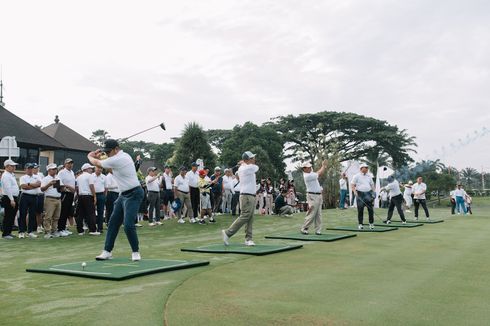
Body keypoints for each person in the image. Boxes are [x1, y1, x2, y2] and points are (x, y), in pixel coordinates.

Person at [88, 139, 145, 261]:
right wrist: (100, 158)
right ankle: (107, 251)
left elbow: (97, 163)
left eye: (109, 151)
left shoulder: (122, 157)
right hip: (123, 195)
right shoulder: (116, 159)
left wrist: (90, 156)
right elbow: (111, 170)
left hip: (134, 193)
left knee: (128, 225)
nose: (107, 154)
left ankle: (135, 252)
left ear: (116, 149)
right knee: (113, 223)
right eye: (106, 152)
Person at [222, 151, 259, 246]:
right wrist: (243, 163)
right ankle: (228, 233)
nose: (254, 159)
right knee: (245, 216)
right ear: (247, 160)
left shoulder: (246, 167)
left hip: (250, 195)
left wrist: (244, 162)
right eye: (252, 158)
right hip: (246, 196)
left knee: (250, 218)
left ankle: (248, 239)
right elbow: (256, 167)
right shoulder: (244, 168)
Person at [300, 160, 328, 235]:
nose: (310, 168)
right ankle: (304, 228)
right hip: (312, 196)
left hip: (318, 195)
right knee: (312, 213)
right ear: (304, 169)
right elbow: (319, 173)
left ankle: (318, 230)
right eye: (308, 167)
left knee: (318, 213)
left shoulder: (311, 173)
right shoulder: (307, 176)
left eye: (310, 167)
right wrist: (323, 166)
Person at [18, 163, 42, 238]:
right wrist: (33, 186)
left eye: (31, 168)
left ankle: (30, 231)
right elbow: (23, 186)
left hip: (34, 197)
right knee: (23, 214)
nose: (30, 170)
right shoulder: (23, 177)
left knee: (32, 214)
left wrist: (29, 184)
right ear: (25, 169)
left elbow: (39, 184)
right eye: (28, 168)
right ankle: (21, 232)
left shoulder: (37, 176)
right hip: (25, 196)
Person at [40, 163, 63, 238]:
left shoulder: (58, 178)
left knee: (56, 217)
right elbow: (42, 189)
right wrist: (49, 184)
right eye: (53, 169)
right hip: (50, 199)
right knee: (48, 217)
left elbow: (61, 188)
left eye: (55, 169)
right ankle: (47, 232)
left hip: (58, 199)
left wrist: (62, 188)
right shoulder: (45, 179)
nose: (55, 170)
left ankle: (54, 231)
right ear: (49, 170)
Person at [350, 163, 376, 230]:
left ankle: (371, 223)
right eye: (365, 167)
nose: (367, 169)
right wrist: (355, 192)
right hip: (360, 194)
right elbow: (352, 185)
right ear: (361, 168)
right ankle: (360, 224)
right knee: (360, 209)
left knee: (370, 209)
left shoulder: (369, 176)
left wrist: (373, 192)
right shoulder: (356, 176)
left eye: (367, 168)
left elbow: (372, 185)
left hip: (368, 193)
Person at [76, 163, 99, 236]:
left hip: (81, 196)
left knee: (80, 214)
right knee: (91, 213)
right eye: (90, 168)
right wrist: (95, 196)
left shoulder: (79, 177)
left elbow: (77, 188)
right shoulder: (90, 176)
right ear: (86, 169)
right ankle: (92, 230)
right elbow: (91, 186)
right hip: (88, 196)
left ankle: (80, 230)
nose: (91, 170)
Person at [57, 158, 76, 236]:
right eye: (68, 163)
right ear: (65, 164)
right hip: (65, 194)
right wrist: (67, 187)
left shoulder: (72, 172)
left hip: (71, 194)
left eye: (71, 163)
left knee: (67, 212)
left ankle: (64, 228)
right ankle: (60, 229)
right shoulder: (61, 172)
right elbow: (58, 183)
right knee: (63, 212)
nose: (70, 165)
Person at [1, 159, 20, 239]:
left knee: (12, 216)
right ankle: (5, 233)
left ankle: (9, 232)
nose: (14, 167)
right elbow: (7, 188)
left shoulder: (11, 175)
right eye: (12, 166)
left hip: (13, 198)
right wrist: (11, 199)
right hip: (9, 198)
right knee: (8, 216)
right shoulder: (6, 175)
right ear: (7, 166)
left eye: (14, 166)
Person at [93, 166, 107, 232]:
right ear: (95, 168)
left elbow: (106, 188)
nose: (99, 169)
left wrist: (104, 196)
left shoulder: (104, 177)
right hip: (93, 195)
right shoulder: (91, 176)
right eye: (98, 168)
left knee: (100, 212)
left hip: (101, 195)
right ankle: (93, 227)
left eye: (101, 168)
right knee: (92, 212)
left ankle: (100, 228)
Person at [32, 164, 45, 234]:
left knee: (39, 212)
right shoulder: (31, 176)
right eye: (35, 168)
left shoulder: (41, 175)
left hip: (41, 195)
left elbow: (42, 184)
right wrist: (37, 184)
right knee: (31, 212)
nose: (37, 169)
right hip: (34, 195)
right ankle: (30, 227)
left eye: (37, 168)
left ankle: (39, 226)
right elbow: (35, 185)